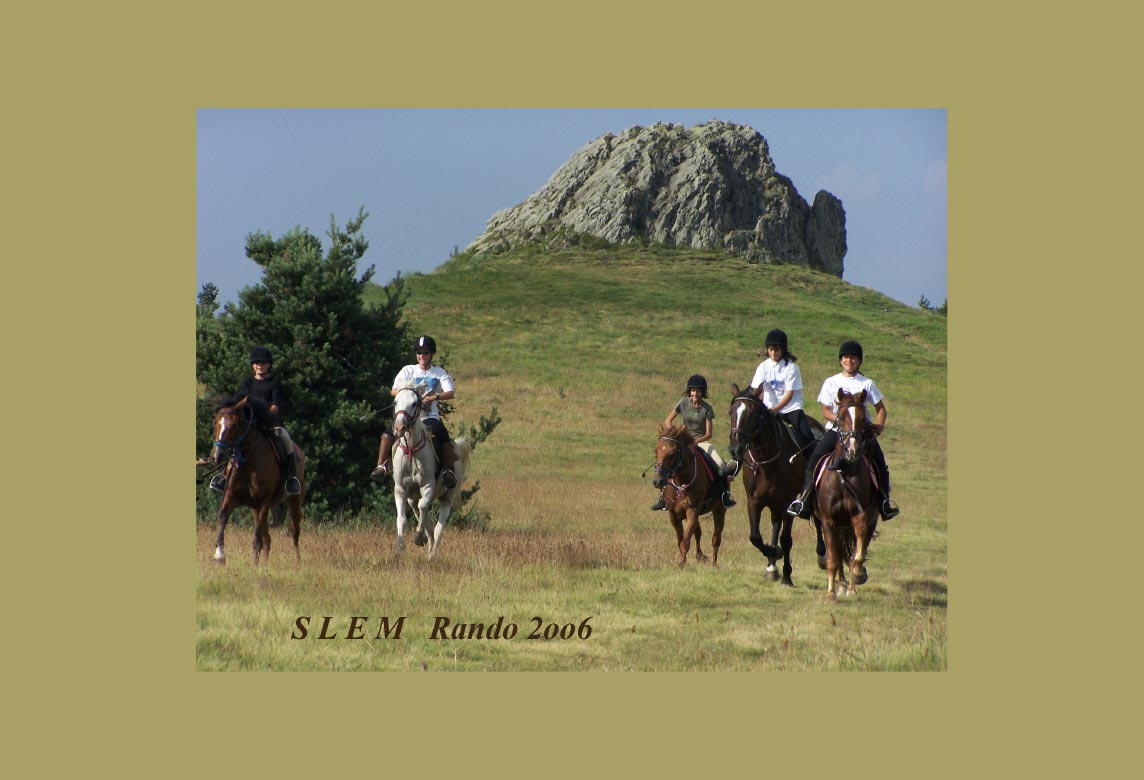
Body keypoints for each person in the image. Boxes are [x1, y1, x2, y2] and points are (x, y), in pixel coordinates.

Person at [786, 340, 899, 521]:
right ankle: (804, 501)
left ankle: (884, 503)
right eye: (846, 357)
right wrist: (839, 420)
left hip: (862, 433)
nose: (849, 361)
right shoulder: (831, 382)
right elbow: (825, 410)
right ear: (840, 360)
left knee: (881, 464)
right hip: (836, 431)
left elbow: (881, 409)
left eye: (853, 358)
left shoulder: (867, 383)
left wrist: (878, 428)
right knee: (814, 459)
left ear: (859, 361)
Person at [210, 345, 302, 496]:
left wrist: (268, 414)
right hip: (249, 425)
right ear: (253, 365)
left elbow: (275, 404)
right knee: (232, 441)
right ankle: (223, 475)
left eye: (263, 362)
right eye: (257, 363)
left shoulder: (274, 383)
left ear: (269, 365)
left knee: (286, 441)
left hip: (270, 423)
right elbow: (236, 401)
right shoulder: (247, 382)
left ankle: (291, 478)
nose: (260, 365)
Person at [371, 335, 457, 488]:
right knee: (387, 432)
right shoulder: (408, 370)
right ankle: (381, 466)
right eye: (419, 352)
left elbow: (450, 392)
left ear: (432, 354)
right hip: (409, 417)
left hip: (428, 417)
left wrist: (434, 397)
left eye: (425, 353)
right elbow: (393, 391)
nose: (421, 356)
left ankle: (448, 471)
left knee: (442, 433)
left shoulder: (439, 373)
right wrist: (407, 393)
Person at [650, 374, 738, 511]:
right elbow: (668, 420)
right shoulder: (683, 403)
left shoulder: (707, 409)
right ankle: (663, 498)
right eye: (693, 391)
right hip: (683, 442)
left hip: (701, 442)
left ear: (702, 393)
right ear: (689, 392)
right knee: (666, 463)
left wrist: (695, 442)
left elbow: (708, 434)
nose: (695, 394)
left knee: (720, 464)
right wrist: (672, 433)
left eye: (698, 391)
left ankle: (724, 496)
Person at [746, 328, 815, 456]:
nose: (773, 353)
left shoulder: (792, 368)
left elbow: (789, 394)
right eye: (770, 349)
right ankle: (738, 461)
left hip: (791, 409)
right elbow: (757, 389)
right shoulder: (763, 367)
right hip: (768, 409)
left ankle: (812, 466)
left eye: (776, 350)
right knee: (746, 430)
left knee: (808, 436)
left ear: (783, 349)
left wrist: (776, 409)